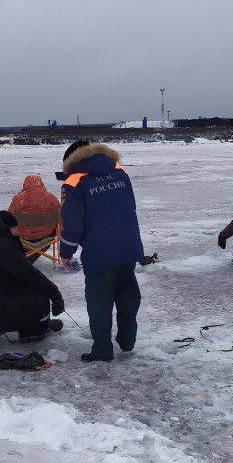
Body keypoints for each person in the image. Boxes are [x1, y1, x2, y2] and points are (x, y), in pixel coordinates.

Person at [58, 141, 143, 362]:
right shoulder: (119, 171)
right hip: (127, 246)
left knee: (99, 302)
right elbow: (130, 206)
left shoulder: (74, 181)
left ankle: (103, 349)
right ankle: (127, 340)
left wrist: (66, 252)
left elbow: (73, 223)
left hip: (99, 252)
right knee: (127, 293)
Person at [0, 207, 65, 343]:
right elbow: (30, 275)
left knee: (22, 288)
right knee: (39, 294)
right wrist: (55, 294)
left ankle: (34, 324)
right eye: (15, 229)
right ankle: (36, 330)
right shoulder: (3, 245)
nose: (17, 232)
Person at [7, 174, 62, 263]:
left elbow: (9, 218)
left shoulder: (18, 199)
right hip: (46, 236)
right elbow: (60, 218)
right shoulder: (51, 198)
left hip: (22, 237)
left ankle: (19, 256)